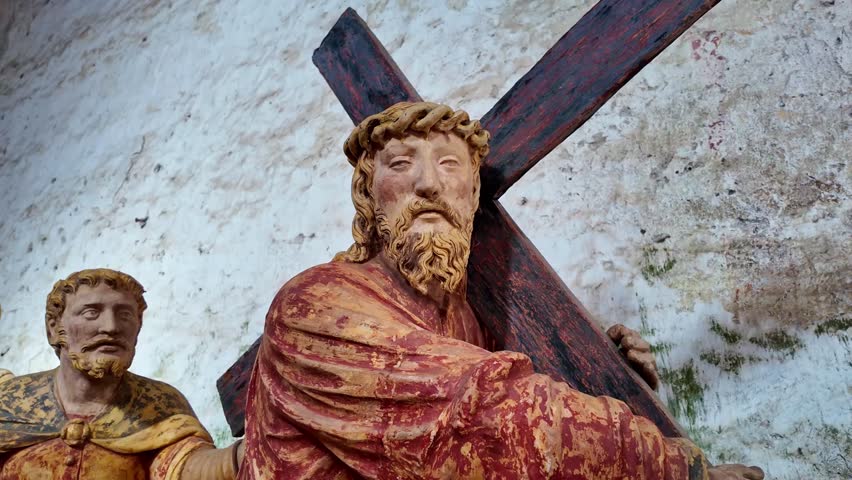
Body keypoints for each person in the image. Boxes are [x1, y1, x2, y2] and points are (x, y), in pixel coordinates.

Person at [238, 102, 764, 479]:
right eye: (401, 164)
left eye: (449, 164)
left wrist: (603, 376)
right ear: (368, 195)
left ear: (471, 195)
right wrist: (677, 467)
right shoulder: (315, 307)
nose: (428, 183)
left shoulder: (470, 320)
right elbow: (485, 419)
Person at [0, 268, 243, 479]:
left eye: (124, 315)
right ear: (54, 328)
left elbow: (182, 468)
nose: (111, 327)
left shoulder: (158, 405)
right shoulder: (11, 399)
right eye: (91, 313)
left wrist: (245, 455)